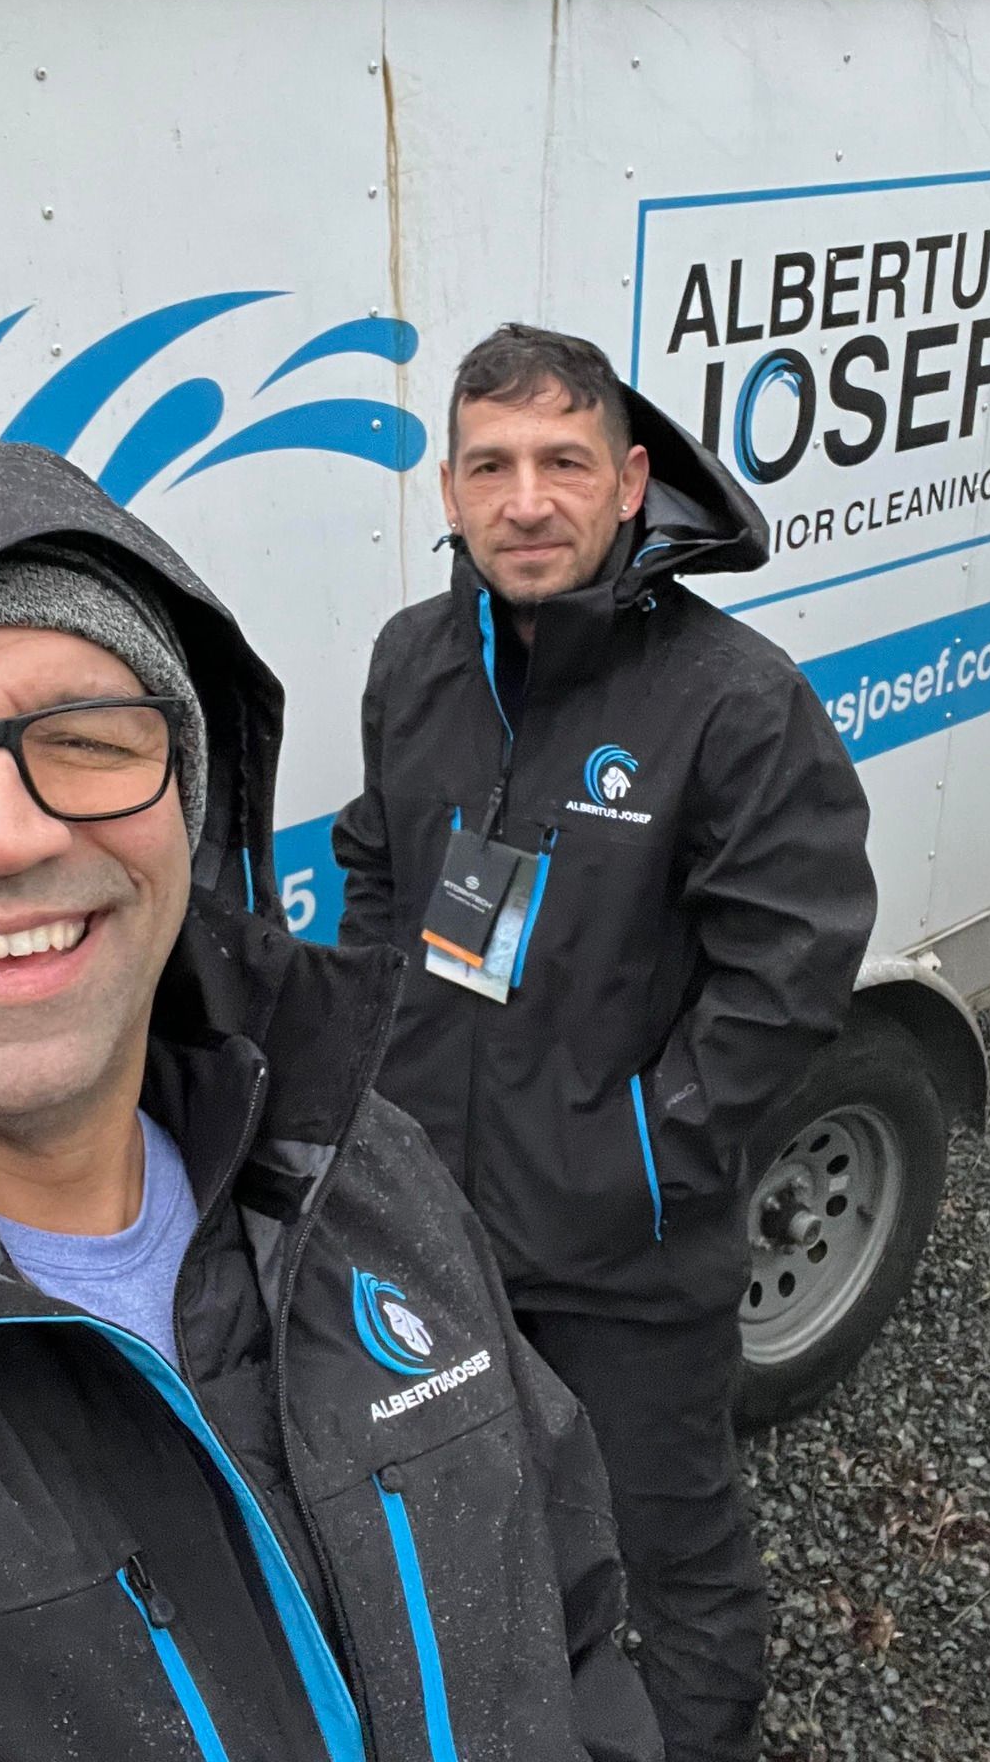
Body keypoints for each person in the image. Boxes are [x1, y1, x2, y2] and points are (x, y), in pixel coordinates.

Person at [0, 421, 662, 1762]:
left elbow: (570, 1626)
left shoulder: (356, 1173)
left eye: (89, 738)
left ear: (187, 812)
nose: (9, 832)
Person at [333, 324, 878, 1762]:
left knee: (667, 1556)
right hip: (436, 1223)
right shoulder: (414, 662)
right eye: (492, 466)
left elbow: (793, 964)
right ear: (448, 491)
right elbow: (379, 866)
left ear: (631, 482)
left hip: (628, 1255)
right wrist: (377, 1090)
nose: (527, 500)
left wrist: (638, 1160)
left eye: (564, 462)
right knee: (487, 1510)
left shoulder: (732, 700)